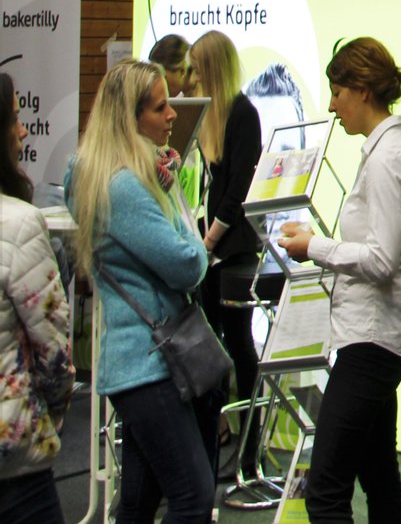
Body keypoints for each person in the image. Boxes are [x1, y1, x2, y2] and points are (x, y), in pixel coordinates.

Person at [279, 37, 401, 524]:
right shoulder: (386, 152)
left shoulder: (387, 159)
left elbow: (381, 260)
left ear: (362, 90)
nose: (331, 104)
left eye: (337, 91)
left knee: (325, 490)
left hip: (372, 341)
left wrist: (313, 248)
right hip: (377, 336)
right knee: (379, 473)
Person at [69, 61, 217, 523]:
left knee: (137, 503)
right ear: (129, 120)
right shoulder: (127, 186)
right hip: (150, 365)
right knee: (192, 497)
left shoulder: (105, 178)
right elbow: (189, 264)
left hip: (141, 361)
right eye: (160, 107)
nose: (173, 115)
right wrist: (173, 195)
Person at [0, 72, 74, 524]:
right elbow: (54, 352)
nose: (24, 130)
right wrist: (50, 412)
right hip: (14, 465)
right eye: (14, 118)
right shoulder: (21, 223)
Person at [189, 31, 265, 463]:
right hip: (207, 252)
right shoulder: (205, 117)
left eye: (199, 69)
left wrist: (208, 241)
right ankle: (212, 442)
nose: (192, 77)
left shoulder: (242, 114)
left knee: (239, 346)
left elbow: (237, 193)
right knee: (212, 348)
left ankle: (251, 447)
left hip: (231, 252)